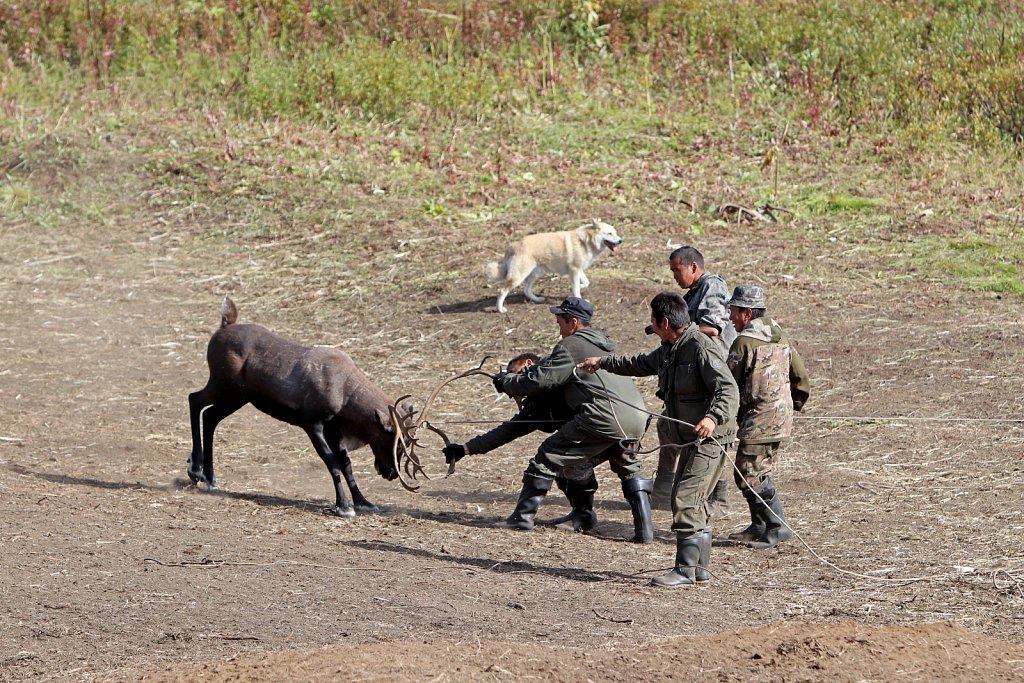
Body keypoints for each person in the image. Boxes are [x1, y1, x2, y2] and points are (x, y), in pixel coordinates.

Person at [578, 292, 739, 587]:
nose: (653, 329)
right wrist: (602, 362)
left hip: (710, 439)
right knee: (693, 498)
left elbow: (728, 391)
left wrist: (711, 418)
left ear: (664, 322)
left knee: (686, 498)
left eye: (653, 323)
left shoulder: (701, 347)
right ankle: (700, 570)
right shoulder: (669, 348)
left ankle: (685, 570)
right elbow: (637, 363)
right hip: (688, 438)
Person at [492, 297, 654, 543]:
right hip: (638, 418)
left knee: (549, 454)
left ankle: (522, 517)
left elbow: (541, 381)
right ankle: (645, 532)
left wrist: (507, 382)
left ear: (574, 322)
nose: (558, 328)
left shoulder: (571, 345)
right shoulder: (605, 346)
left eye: (560, 322)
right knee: (628, 466)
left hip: (602, 416)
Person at [441, 353, 598, 532]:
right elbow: (510, 430)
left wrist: (509, 383)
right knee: (625, 468)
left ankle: (526, 518)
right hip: (624, 422)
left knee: (554, 459)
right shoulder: (539, 401)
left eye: (512, 372)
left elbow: (535, 384)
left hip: (599, 424)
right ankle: (591, 518)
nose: (510, 377)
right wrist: (465, 449)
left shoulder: (552, 377)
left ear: (528, 363)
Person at [724, 285, 811, 549]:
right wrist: (793, 404)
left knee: (748, 473)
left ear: (747, 313)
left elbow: (728, 383)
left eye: (734, 312)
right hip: (780, 416)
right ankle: (759, 524)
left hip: (760, 418)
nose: (731, 318)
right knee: (752, 469)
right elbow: (801, 377)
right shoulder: (781, 338)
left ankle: (777, 526)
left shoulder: (743, 343)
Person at [654, 245, 736, 516]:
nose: (674, 275)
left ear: (693, 267)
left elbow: (712, 327)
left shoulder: (712, 286)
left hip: (708, 373)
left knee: (707, 437)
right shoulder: (694, 292)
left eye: (677, 270)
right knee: (669, 426)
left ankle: (717, 499)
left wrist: (676, 330)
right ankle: (664, 492)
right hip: (692, 372)